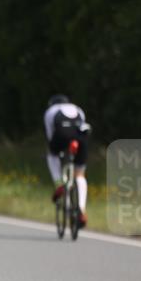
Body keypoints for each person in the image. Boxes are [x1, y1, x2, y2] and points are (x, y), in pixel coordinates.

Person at [44, 94, 90, 228]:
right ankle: (81, 208)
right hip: (80, 139)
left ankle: (59, 183)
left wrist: (56, 150)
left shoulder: (50, 112)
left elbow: (50, 135)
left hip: (61, 135)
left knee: (51, 155)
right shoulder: (78, 109)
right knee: (80, 174)